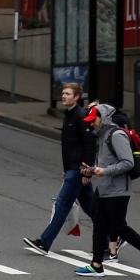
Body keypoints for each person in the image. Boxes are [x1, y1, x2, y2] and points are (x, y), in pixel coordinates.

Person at [73, 103, 140, 278]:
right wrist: (91, 170)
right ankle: (96, 265)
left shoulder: (116, 135)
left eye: (94, 120)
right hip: (104, 188)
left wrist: (104, 171)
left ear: (104, 118)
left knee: (118, 227)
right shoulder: (101, 135)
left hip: (118, 190)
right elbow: (105, 163)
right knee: (99, 226)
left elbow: (127, 162)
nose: (91, 124)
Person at [22, 82, 94, 255]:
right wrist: (66, 169)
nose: (63, 96)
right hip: (72, 169)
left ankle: (44, 243)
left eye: (68, 94)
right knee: (92, 209)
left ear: (77, 97)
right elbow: (69, 147)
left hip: (78, 170)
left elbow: (89, 144)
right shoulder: (69, 115)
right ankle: (112, 239)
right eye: (63, 93)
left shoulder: (80, 116)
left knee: (62, 205)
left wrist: (87, 171)